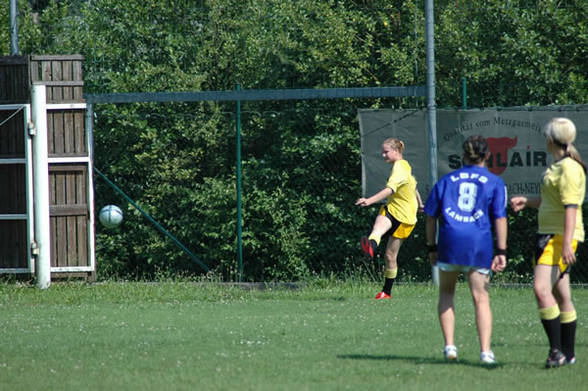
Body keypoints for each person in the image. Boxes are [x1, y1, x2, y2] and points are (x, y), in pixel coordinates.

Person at [424, 135, 507, 364]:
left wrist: (431, 247)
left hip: (450, 241)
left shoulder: (446, 180)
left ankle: (450, 347)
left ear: (463, 156)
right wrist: (502, 250)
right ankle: (485, 352)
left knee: (447, 293)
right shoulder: (494, 181)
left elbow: (430, 217)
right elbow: (500, 217)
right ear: (487, 156)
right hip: (478, 243)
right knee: (480, 298)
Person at [510, 117, 585, 368]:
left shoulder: (568, 168)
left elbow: (571, 207)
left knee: (541, 290)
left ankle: (556, 352)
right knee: (561, 294)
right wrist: (527, 201)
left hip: (558, 237)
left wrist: (566, 243)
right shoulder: (559, 165)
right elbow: (552, 201)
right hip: (550, 235)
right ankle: (569, 354)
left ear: (552, 139)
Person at [356, 137, 423, 300]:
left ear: (396, 151)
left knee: (390, 256)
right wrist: (421, 204)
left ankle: (387, 292)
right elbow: (413, 186)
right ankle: (370, 246)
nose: (383, 155)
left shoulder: (400, 168)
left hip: (405, 218)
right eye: (382, 152)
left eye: (386, 152)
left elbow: (390, 190)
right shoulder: (404, 166)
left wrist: (369, 200)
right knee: (377, 230)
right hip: (392, 209)